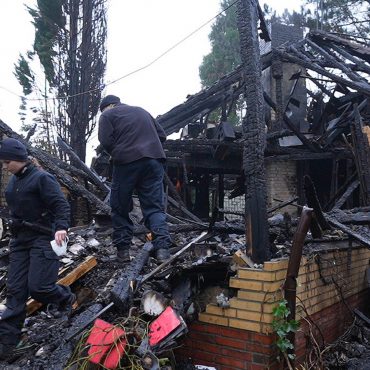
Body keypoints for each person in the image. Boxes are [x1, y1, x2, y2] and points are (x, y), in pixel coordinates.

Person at [0, 138, 75, 359]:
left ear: (19, 159)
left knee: (39, 288)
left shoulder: (42, 178)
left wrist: (61, 227)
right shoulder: (14, 182)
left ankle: (65, 298)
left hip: (43, 239)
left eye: (7, 162)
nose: (5, 167)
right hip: (21, 242)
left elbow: (61, 205)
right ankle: (7, 344)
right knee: (15, 292)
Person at [98, 95, 172, 263]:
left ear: (108, 106)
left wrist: (117, 152)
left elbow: (105, 141)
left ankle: (123, 252)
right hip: (154, 161)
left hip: (126, 161)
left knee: (120, 207)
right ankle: (162, 251)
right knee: (154, 208)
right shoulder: (142, 111)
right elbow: (162, 135)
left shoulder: (107, 115)